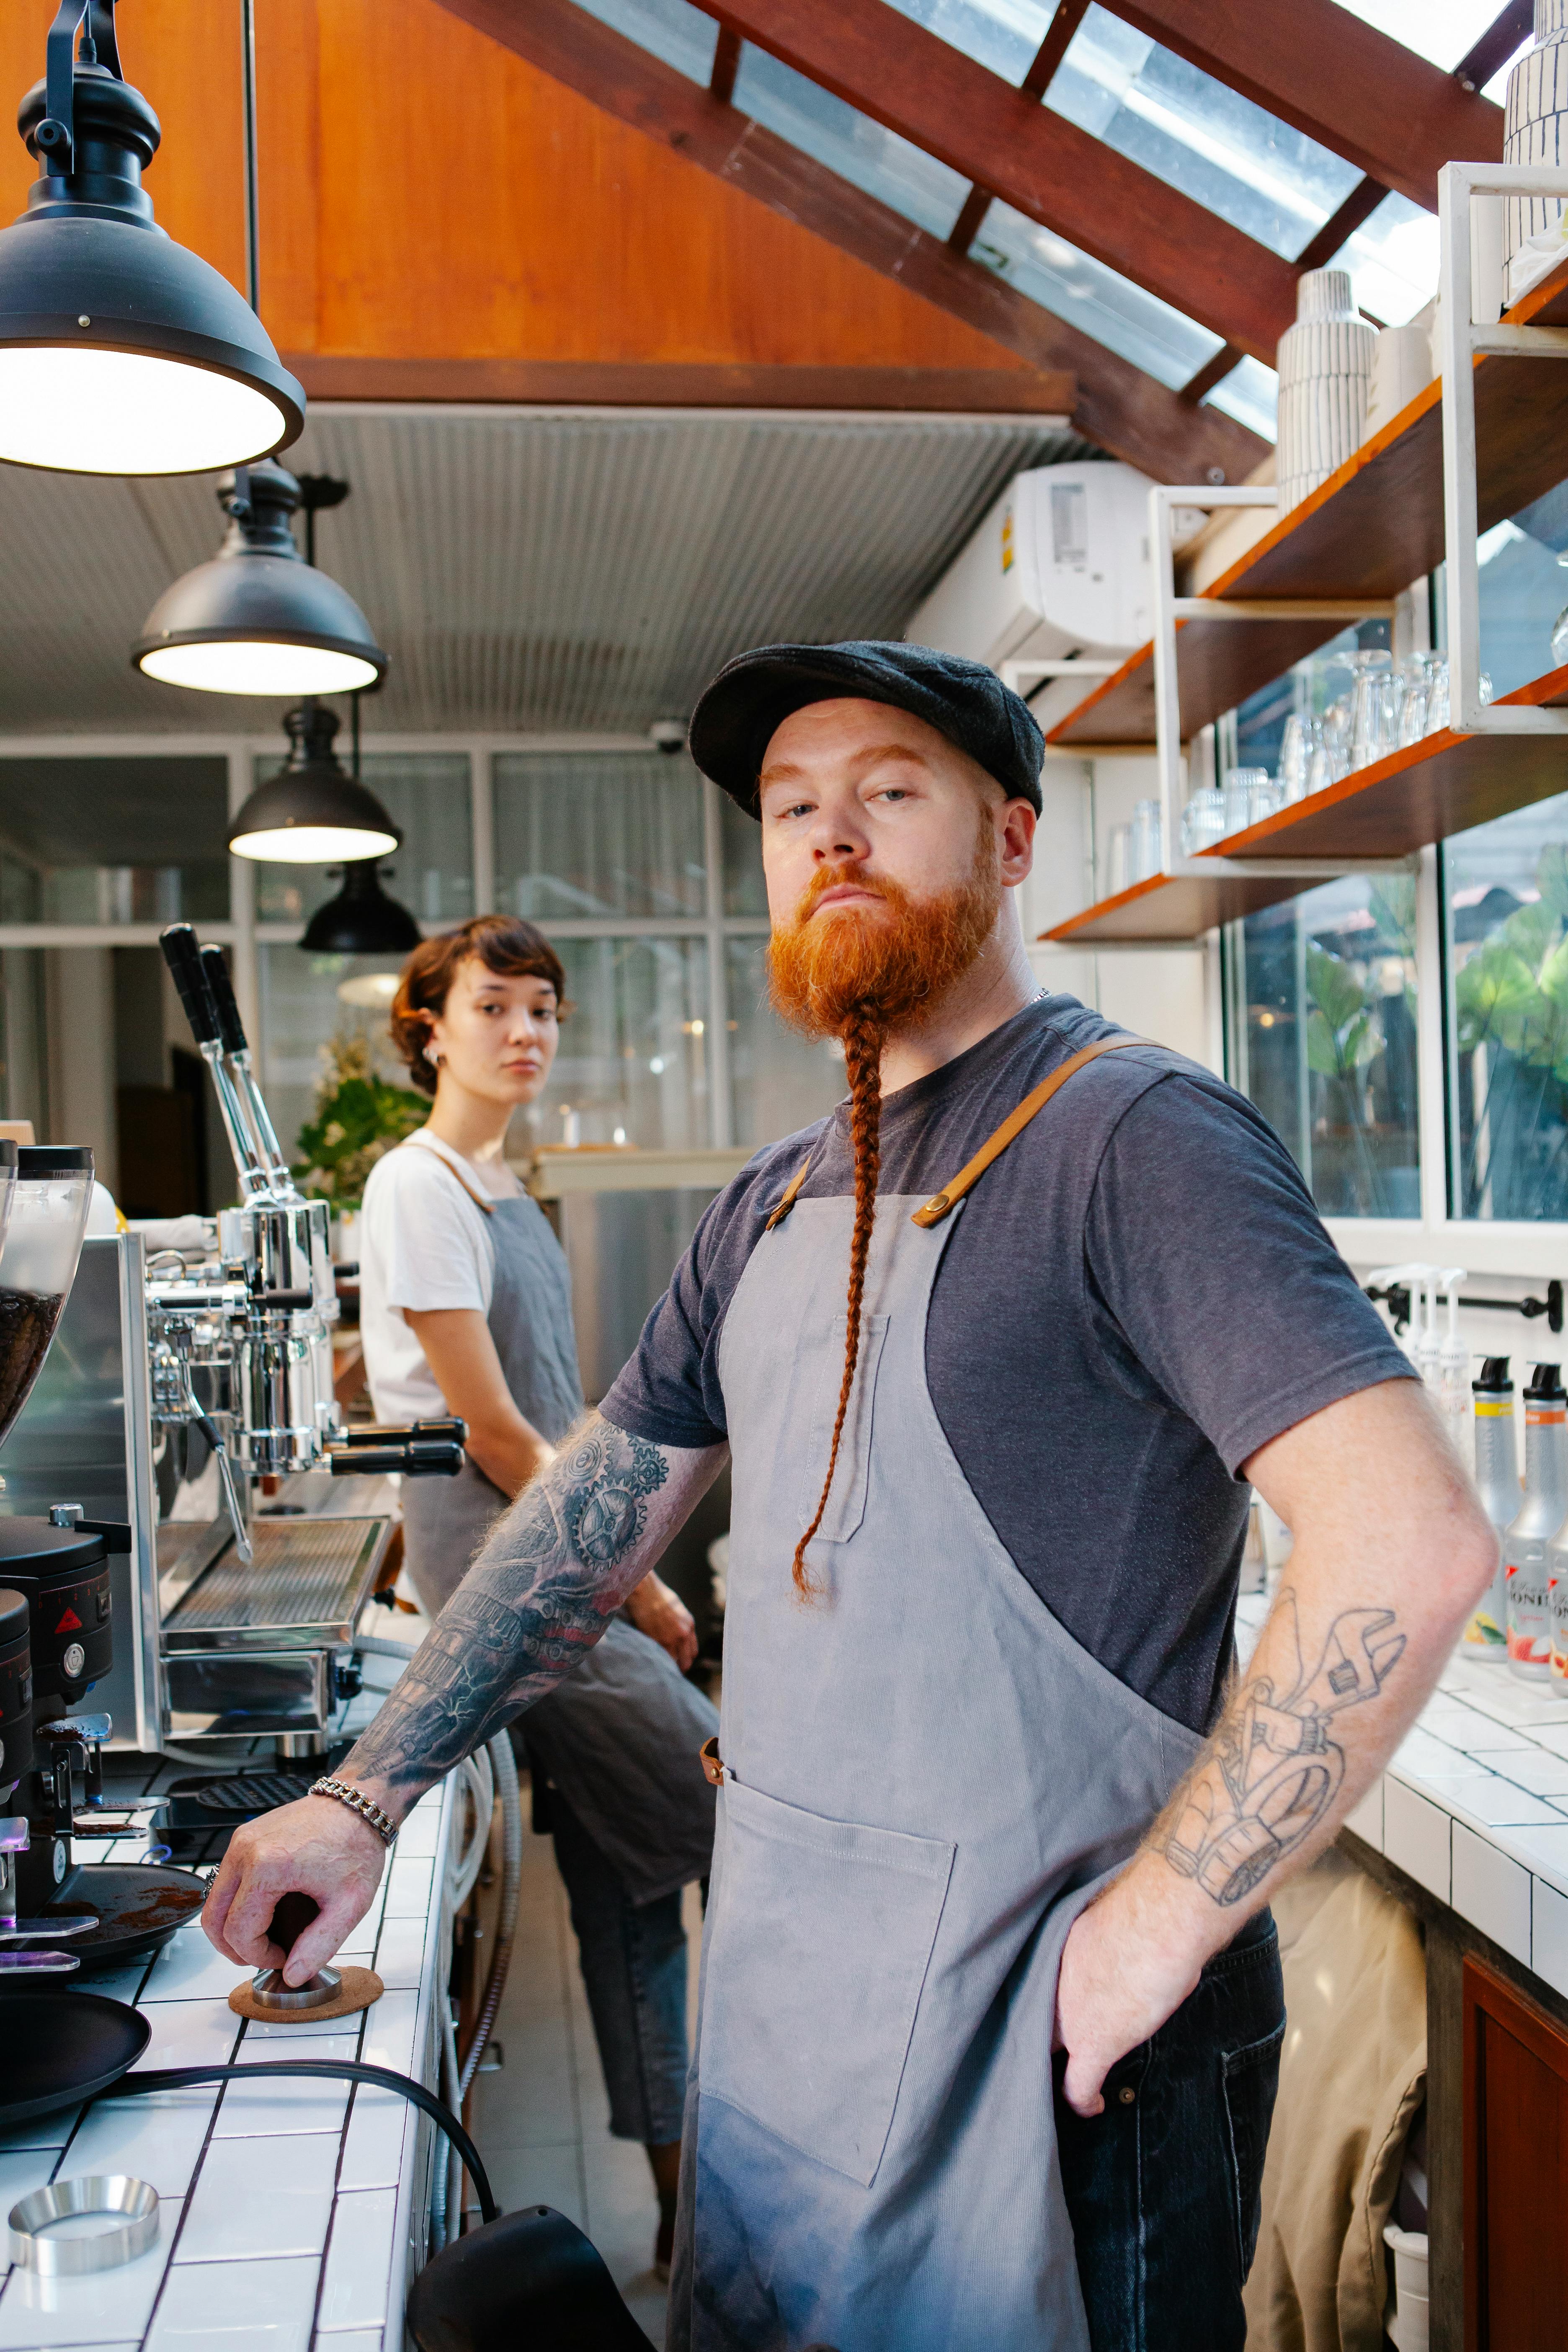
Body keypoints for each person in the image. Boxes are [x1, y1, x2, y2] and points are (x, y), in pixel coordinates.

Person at [205, 645, 1496, 2352]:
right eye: (794, 809)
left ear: (1013, 839)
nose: (833, 839)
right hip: (801, 2026)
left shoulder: (1134, 1140)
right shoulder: (771, 1202)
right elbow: (588, 1521)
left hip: (1058, 2043)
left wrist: (1170, 1919)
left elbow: (1407, 1543)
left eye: (889, 793)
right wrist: (364, 1803)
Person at [356, 913, 717, 2274]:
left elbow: (541, 1414)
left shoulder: (496, 1181)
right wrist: (637, 1586)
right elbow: (505, 1437)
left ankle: (687, 2198)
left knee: (632, 1882)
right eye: (496, 1006)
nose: (526, 1033)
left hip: (560, 1549)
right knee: (737, 1809)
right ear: (428, 1029)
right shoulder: (416, 1182)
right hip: (518, 1583)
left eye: (545, 1011)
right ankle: (780, 2164)